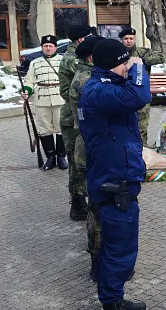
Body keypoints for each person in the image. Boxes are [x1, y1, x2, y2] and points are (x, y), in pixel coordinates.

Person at [78, 38, 150, 310]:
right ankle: (112, 301)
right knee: (119, 246)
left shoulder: (105, 86)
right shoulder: (98, 91)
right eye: (124, 61)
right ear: (112, 65)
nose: (128, 66)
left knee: (118, 243)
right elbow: (139, 95)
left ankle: (112, 291)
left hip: (118, 175)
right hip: (114, 180)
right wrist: (138, 69)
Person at [69, 36, 106, 282]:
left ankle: (97, 259)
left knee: (95, 207)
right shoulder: (90, 79)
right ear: (93, 57)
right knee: (101, 209)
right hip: (98, 150)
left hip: (85, 146)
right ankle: (101, 261)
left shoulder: (81, 77)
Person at [58, 25, 96, 220]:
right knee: (76, 162)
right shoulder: (72, 59)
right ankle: (78, 202)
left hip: (84, 114)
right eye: (89, 36)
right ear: (81, 39)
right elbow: (91, 71)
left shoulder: (79, 55)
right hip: (73, 118)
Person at [22, 35, 67, 171]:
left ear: (55, 47)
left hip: (60, 98)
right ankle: (50, 157)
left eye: (51, 46)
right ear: (42, 47)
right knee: (44, 130)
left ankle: (61, 156)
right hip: (42, 99)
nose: (48, 48)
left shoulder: (63, 60)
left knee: (61, 128)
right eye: (45, 46)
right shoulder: (35, 63)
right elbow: (29, 80)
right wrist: (27, 91)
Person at [120, 27, 165, 146]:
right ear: (121, 40)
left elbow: (161, 58)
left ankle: (143, 149)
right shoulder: (118, 54)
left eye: (131, 38)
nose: (128, 41)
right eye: (126, 39)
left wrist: (144, 61)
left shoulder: (142, 52)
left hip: (141, 94)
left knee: (142, 126)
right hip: (123, 94)